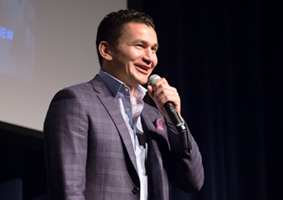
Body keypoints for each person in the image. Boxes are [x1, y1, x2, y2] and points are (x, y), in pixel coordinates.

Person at [43, 9, 204, 200]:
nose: (149, 58)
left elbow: (193, 181)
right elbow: (68, 191)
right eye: (139, 46)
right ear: (106, 50)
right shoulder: (75, 101)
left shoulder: (155, 116)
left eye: (154, 49)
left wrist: (175, 122)